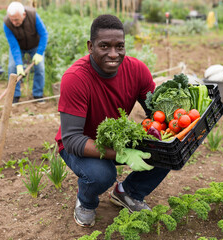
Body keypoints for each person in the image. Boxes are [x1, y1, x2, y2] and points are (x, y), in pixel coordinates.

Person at [55, 14, 170, 227]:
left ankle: (128, 193)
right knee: (101, 174)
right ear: (90, 46)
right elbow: (72, 140)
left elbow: (157, 115)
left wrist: (180, 125)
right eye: (104, 46)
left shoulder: (137, 70)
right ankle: (86, 201)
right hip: (81, 144)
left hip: (117, 137)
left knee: (168, 152)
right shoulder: (75, 78)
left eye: (120, 46)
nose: (113, 54)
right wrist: (122, 154)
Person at [3, 1, 48, 103]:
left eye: (16, 20)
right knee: (12, 67)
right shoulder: (7, 24)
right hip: (18, 47)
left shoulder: (33, 16)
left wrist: (39, 53)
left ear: (23, 15)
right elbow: (14, 46)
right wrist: (19, 64)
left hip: (35, 45)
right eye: (12, 20)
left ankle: (38, 94)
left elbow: (44, 34)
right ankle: (15, 95)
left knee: (40, 67)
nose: (14, 23)